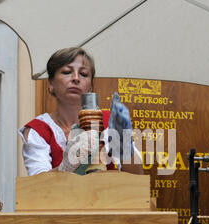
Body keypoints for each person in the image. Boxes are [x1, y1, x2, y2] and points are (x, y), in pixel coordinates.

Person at [18, 47, 142, 176]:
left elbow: (138, 180)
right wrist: (65, 167)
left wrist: (124, 145)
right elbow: (35, 187)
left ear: (90, 87)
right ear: (51, 84)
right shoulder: (39, 130)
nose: (76, 78)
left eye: (83, 74)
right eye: (66, 72)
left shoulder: (109, 122)